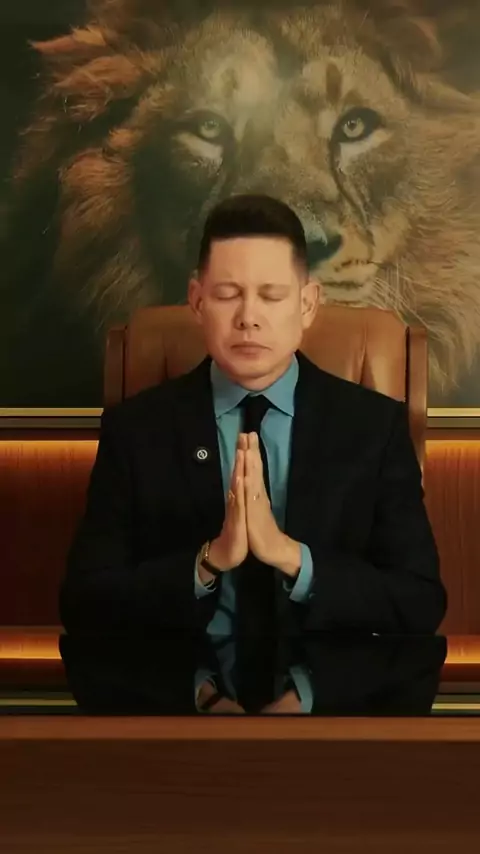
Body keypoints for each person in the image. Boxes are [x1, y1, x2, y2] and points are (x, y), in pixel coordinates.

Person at [60, 194, 447, 636]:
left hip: (330, 674)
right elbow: (84, 602)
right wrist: (208, 561)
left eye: (271, 296)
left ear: (307, 304)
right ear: (197, 301)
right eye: (228, 295)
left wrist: (290, 556)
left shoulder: (375, 429)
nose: (248, 318)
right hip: (183, 673)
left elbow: (419, 600)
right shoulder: (136, 431)